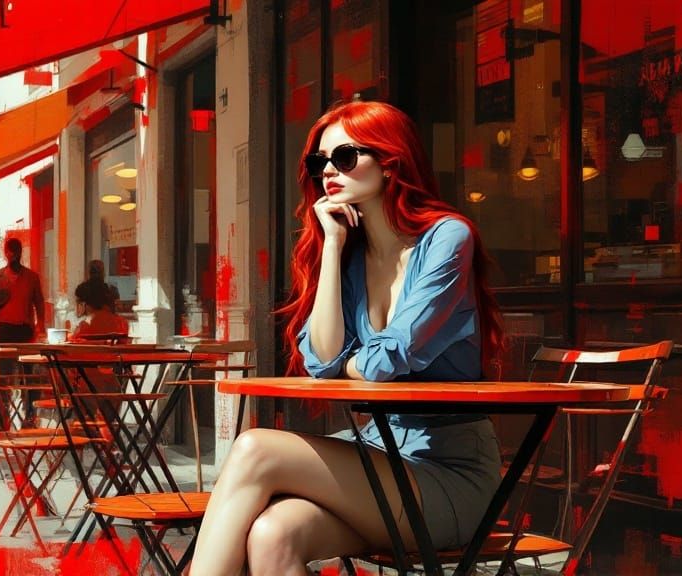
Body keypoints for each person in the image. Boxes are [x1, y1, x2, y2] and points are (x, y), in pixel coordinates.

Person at [189, 101, 505, 574]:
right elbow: (323, 360)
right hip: (378, 457)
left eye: (345, 157)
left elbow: (387, 361)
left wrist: (356, 362)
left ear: (391, 160)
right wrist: (333, 248)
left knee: (255, 448)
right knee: (274, 534)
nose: (328, 173)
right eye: (320, 163)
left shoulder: (448, 238)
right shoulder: (353, 256)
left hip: (447, 470)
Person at [0, 237, 46, 423]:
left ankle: (30, 412)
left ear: (20, 253)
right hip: (4, 330)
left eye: (16, 251)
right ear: (5, 253)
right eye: (9, 251)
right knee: (5, 373)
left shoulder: (32, 277)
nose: (12, 255)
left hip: (25, 330)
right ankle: (4, 411)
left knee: (29, 373)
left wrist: (40, 324)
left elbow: (39, 303)